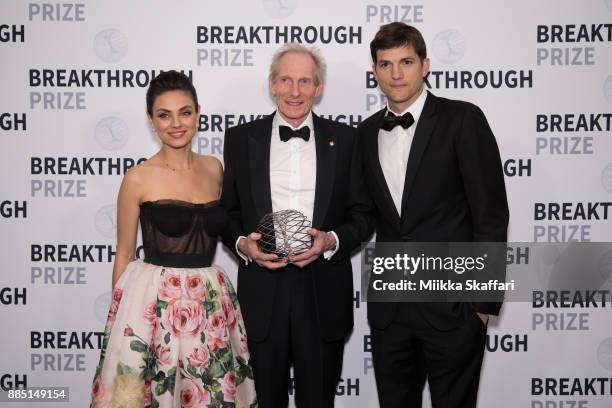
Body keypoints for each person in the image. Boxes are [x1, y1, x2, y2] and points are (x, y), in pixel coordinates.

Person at [358, 23, 509, 408]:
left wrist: (481, 306)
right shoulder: (366, 132)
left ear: (425, 65)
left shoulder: (462, 119)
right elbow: (364, 214)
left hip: (453, 309)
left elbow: (490, 215)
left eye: (406, 62)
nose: (396, 74)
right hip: (390, 311)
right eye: (385, 64)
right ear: (375, 71)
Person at [89, 71, 257, 408]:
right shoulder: (137, 178)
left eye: (185, 112)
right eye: (164, 115)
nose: (175, 123)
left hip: (208, 303)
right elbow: (123, 253)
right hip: (152, 304)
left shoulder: (214, 169)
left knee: (208, 396)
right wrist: (121, 322)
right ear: (151, 121)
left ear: (198, 113)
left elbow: (225, 225)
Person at [221, 44, 372, 408]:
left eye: (305, 81)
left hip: (323, 292)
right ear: (272, 84)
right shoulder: (241, 139)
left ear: (319, 88)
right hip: (262, 294)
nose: (294, 91)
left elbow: (363, 214)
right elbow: (227, 213)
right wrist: (244, 246)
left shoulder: (348, 140)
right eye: (286, 80)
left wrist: (330, 240)